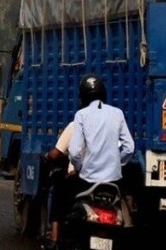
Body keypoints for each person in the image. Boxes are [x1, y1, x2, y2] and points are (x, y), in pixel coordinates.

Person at [42, 74, 134, 250]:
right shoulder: (118, 114)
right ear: (103, 94)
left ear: (82, 98)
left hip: (86, 181)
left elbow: (75, 152)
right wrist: (116, 163)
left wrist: (78, 168)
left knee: (59, 189)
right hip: (113, 183)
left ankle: (54, 238)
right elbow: (129, 148)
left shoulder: (81, 115)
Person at [41, 121, 76, 250]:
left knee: (56, 186)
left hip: (80, 178)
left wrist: (47, 156)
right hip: (107, 179)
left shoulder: (76, 126)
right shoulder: (112, 125)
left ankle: (54, 236)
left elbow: (56, 153)